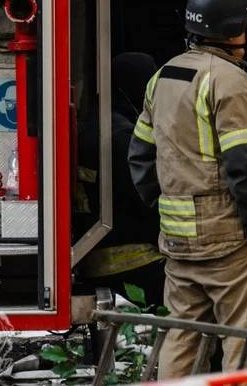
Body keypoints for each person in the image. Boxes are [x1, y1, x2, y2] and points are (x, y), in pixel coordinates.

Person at [128, 0, 247, 378]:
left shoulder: (164, 76)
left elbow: (140, 157)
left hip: (179, 242)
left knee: (183, 338)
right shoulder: (231, 82)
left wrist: (169, 209)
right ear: (233, 29)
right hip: (231, 243)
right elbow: (245, 167)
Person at [78, 52, 167, 307]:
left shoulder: (95, 125)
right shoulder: (121, 138)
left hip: (94, 258)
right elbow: (148, 203)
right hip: (134, 266)